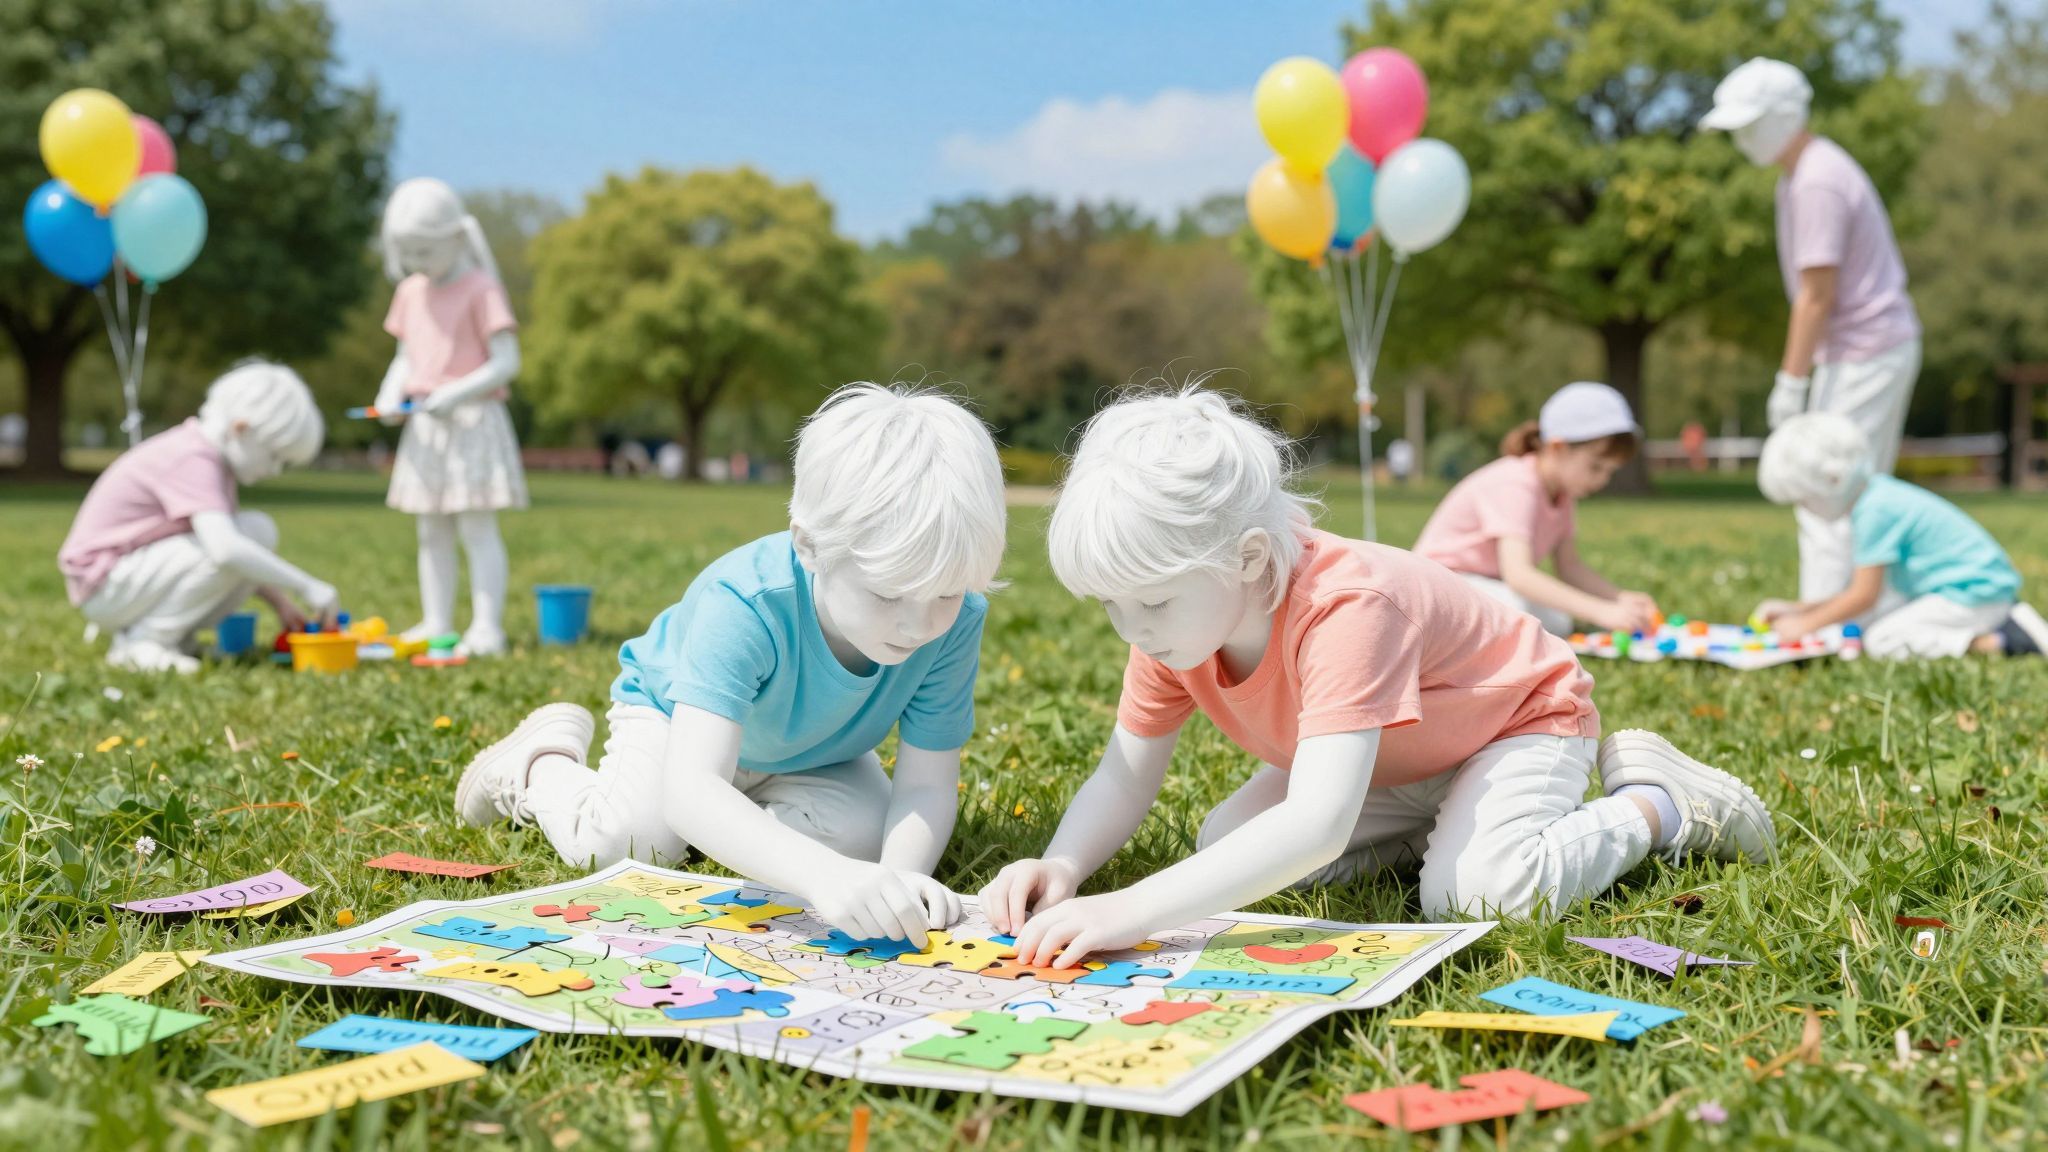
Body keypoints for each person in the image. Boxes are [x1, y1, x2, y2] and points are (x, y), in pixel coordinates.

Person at [982, 386, 1775, 966]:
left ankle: (1660, 806)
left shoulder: (1346, 605)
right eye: (1111, 605)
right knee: (1225, 843)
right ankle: (1453, 830)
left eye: (1149, 600)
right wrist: (1062, 864)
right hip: (1397, 758)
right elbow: (1123, 778)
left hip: (1518, 727)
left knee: (1478, 896)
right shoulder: (1169, 630)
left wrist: (1132, 910)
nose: (1134, 629)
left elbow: (1318, 823)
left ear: (1249, 560)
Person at [453, 384, 1007, 947]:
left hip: (813, 753)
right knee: (626, 844)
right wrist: (821, 875)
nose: (919, 624)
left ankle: (725, 825)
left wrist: (902, 878)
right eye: (888, 596)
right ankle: (536, 766)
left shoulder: (956, 622)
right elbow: (693, 784)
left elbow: (926, 785)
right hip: (676, 723)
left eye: (946, 593)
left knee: (866, 844)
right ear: (810, 548)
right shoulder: (746, 602)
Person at [1700, 58, 1921, 605]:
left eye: (1749, 124)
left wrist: (1791, 381)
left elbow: (1816, 296)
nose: (1742, 138)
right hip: (1864, 349)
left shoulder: (1816, 182)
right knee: (1852, 488)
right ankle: (1855, 610)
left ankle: (1827, 625)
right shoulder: (1804, 174)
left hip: (1865, 348)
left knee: (1824, 487)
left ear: (1783, 115)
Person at [57, 361, 335, 673]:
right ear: (240, 429)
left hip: (122, 582)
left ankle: (170, 637)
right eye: (274, 457)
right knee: (244, 538)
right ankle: (146, 642)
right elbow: (225, 550)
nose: (274, 471)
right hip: (104, 585)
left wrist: (281, 603)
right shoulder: (192, 457)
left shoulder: (208, 459)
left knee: (254, 532)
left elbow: (231, 554)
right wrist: (308, 586)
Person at [372, 177, 526, 657]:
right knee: (430, 529)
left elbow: (507, 361)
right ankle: (436, 619)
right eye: (409, 253)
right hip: (427, 427)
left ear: (455, 237)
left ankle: (487, 627)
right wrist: (390, 392)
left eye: (425, 251)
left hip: (473, 424)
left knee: (476, 527)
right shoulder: (411, 292)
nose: (417, 263)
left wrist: (456, 393)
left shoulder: (482, 289)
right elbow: (406, 356)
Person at [1753, 413, 2048, 659]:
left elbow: (1863, 596)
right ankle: (2000, 627)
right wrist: (1796, 609)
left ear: (1830, 481)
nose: (1805, 509)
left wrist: (1805, 624)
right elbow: (1863, 592)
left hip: (1974, 596)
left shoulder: (1874, 513)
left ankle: (2003, 641)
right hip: (1977, 589)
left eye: (1804, 500)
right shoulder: (1878, 494)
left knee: (1882, 640)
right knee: (1881, 622)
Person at [1413, 382, 1657, 636]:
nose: (1602, 480)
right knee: (1517, 612)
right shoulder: (1516, 482)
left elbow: (1570, 567)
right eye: (1595, 467)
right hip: (1439, 588)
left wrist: (1617, 598)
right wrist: (1601, 611)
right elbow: (1519, 574)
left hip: (1480, 587)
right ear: (1557, 448)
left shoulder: (1562, 492)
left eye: (1609, 471)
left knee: (1557, 621)